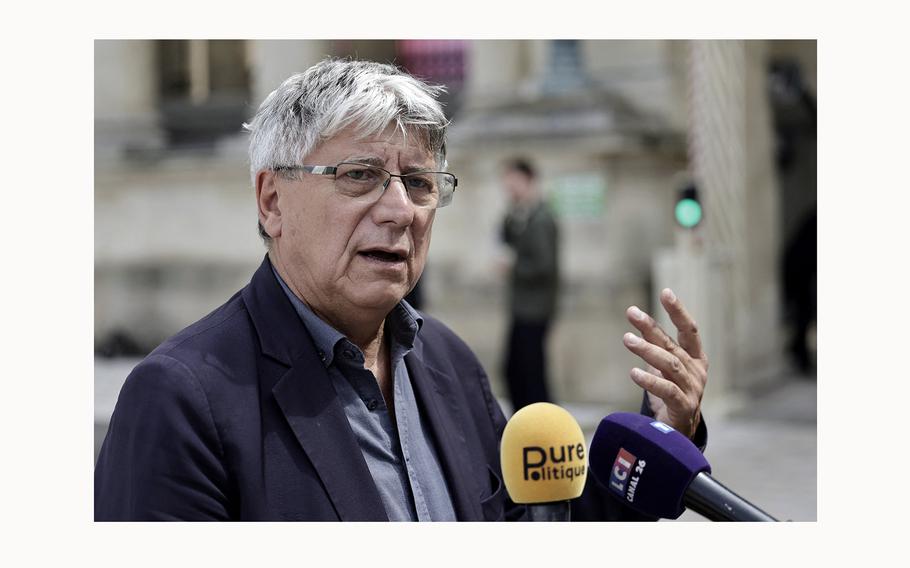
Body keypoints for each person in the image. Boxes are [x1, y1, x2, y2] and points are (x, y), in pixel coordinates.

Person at [94, 58, 708, 521]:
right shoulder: (180, 398)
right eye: (359, 176)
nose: (400, 210)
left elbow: (532, 529)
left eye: (419, 182)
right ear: (272, 200)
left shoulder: (447, 360)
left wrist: (664, 432)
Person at [499, 159, 559, 412]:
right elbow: (505, 236)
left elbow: (544, 266)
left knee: (529, 373)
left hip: (535, 309)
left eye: (514, 181)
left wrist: (514, 268)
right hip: (523, 307)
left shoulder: (541, 219)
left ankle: (539, 422)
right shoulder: (522, 215)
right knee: (516, 370)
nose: (510, 188)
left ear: (529, 180)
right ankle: (527, 422)